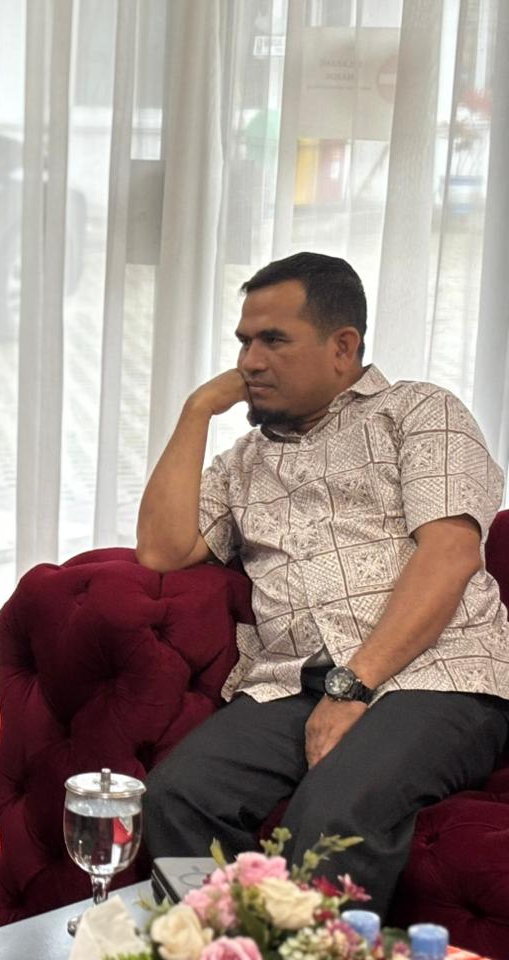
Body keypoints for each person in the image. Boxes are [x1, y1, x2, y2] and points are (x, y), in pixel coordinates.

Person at [135, 252, 509, 912]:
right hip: (293, 683)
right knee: (177, 796)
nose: (250, 361)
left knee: (330, 820)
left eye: (273, 340)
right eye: (244, 342)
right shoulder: (246, 460)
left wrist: (352, 685)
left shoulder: (420, 412)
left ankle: (313, 952)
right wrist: (197, 411)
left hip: (437, 676)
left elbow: (449, 557)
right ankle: (223, 947)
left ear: (343, 347)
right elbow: (162, 551)